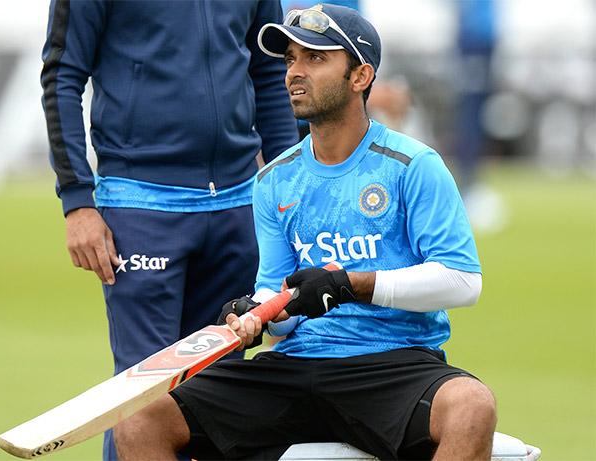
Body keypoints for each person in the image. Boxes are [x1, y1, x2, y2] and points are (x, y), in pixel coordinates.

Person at [111, 4, 497, 460]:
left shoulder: (414, 165)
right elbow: (280, 296)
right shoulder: (274, 179)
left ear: (360, 76)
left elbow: (462, 281)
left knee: (472, 406)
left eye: (315, 59)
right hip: (294, 366)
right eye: (291, 59)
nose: (295, 72)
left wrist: (352, 286)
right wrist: (258, 312)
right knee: (139, 420)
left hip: (392, 363)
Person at [40, 1, 298, 459]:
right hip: (141, 205)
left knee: (217, 393)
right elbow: (62, 75)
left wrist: (293, 186)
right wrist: (77, 200)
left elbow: (269, 71)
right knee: (143, 396)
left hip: (239, 202)